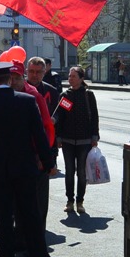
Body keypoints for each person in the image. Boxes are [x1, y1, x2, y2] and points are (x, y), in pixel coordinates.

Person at [0, 61, 57, 257]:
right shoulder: (27, 101)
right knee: (30, 213)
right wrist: (48, 163)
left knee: (4, 214)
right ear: (9, 79)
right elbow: (39, 135)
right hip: (25, 167)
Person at [9, 60, 55, 234]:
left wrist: (43, 157)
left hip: (35, 158)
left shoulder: (33, 96)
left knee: (36, 202)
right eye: (10, 78)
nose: (13, 81)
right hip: (16, 159)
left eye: (16, 78)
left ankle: (36, 238)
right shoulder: (8, 95)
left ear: (22, 77)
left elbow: (47, 127)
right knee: (19, 202)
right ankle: (21, 237)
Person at [52, 66, 100, 214]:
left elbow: (94, 117)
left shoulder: (88, 95)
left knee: (82, 173)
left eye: (73, 76)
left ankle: (80, 202)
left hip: (84, 141)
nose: (70, 78)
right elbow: (60, 116)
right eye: (69, 76)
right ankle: (70, 201)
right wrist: (57, 136)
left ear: (81, 78)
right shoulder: (66, 95)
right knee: (69, 171)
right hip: (67, 141)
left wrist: (94, 136)